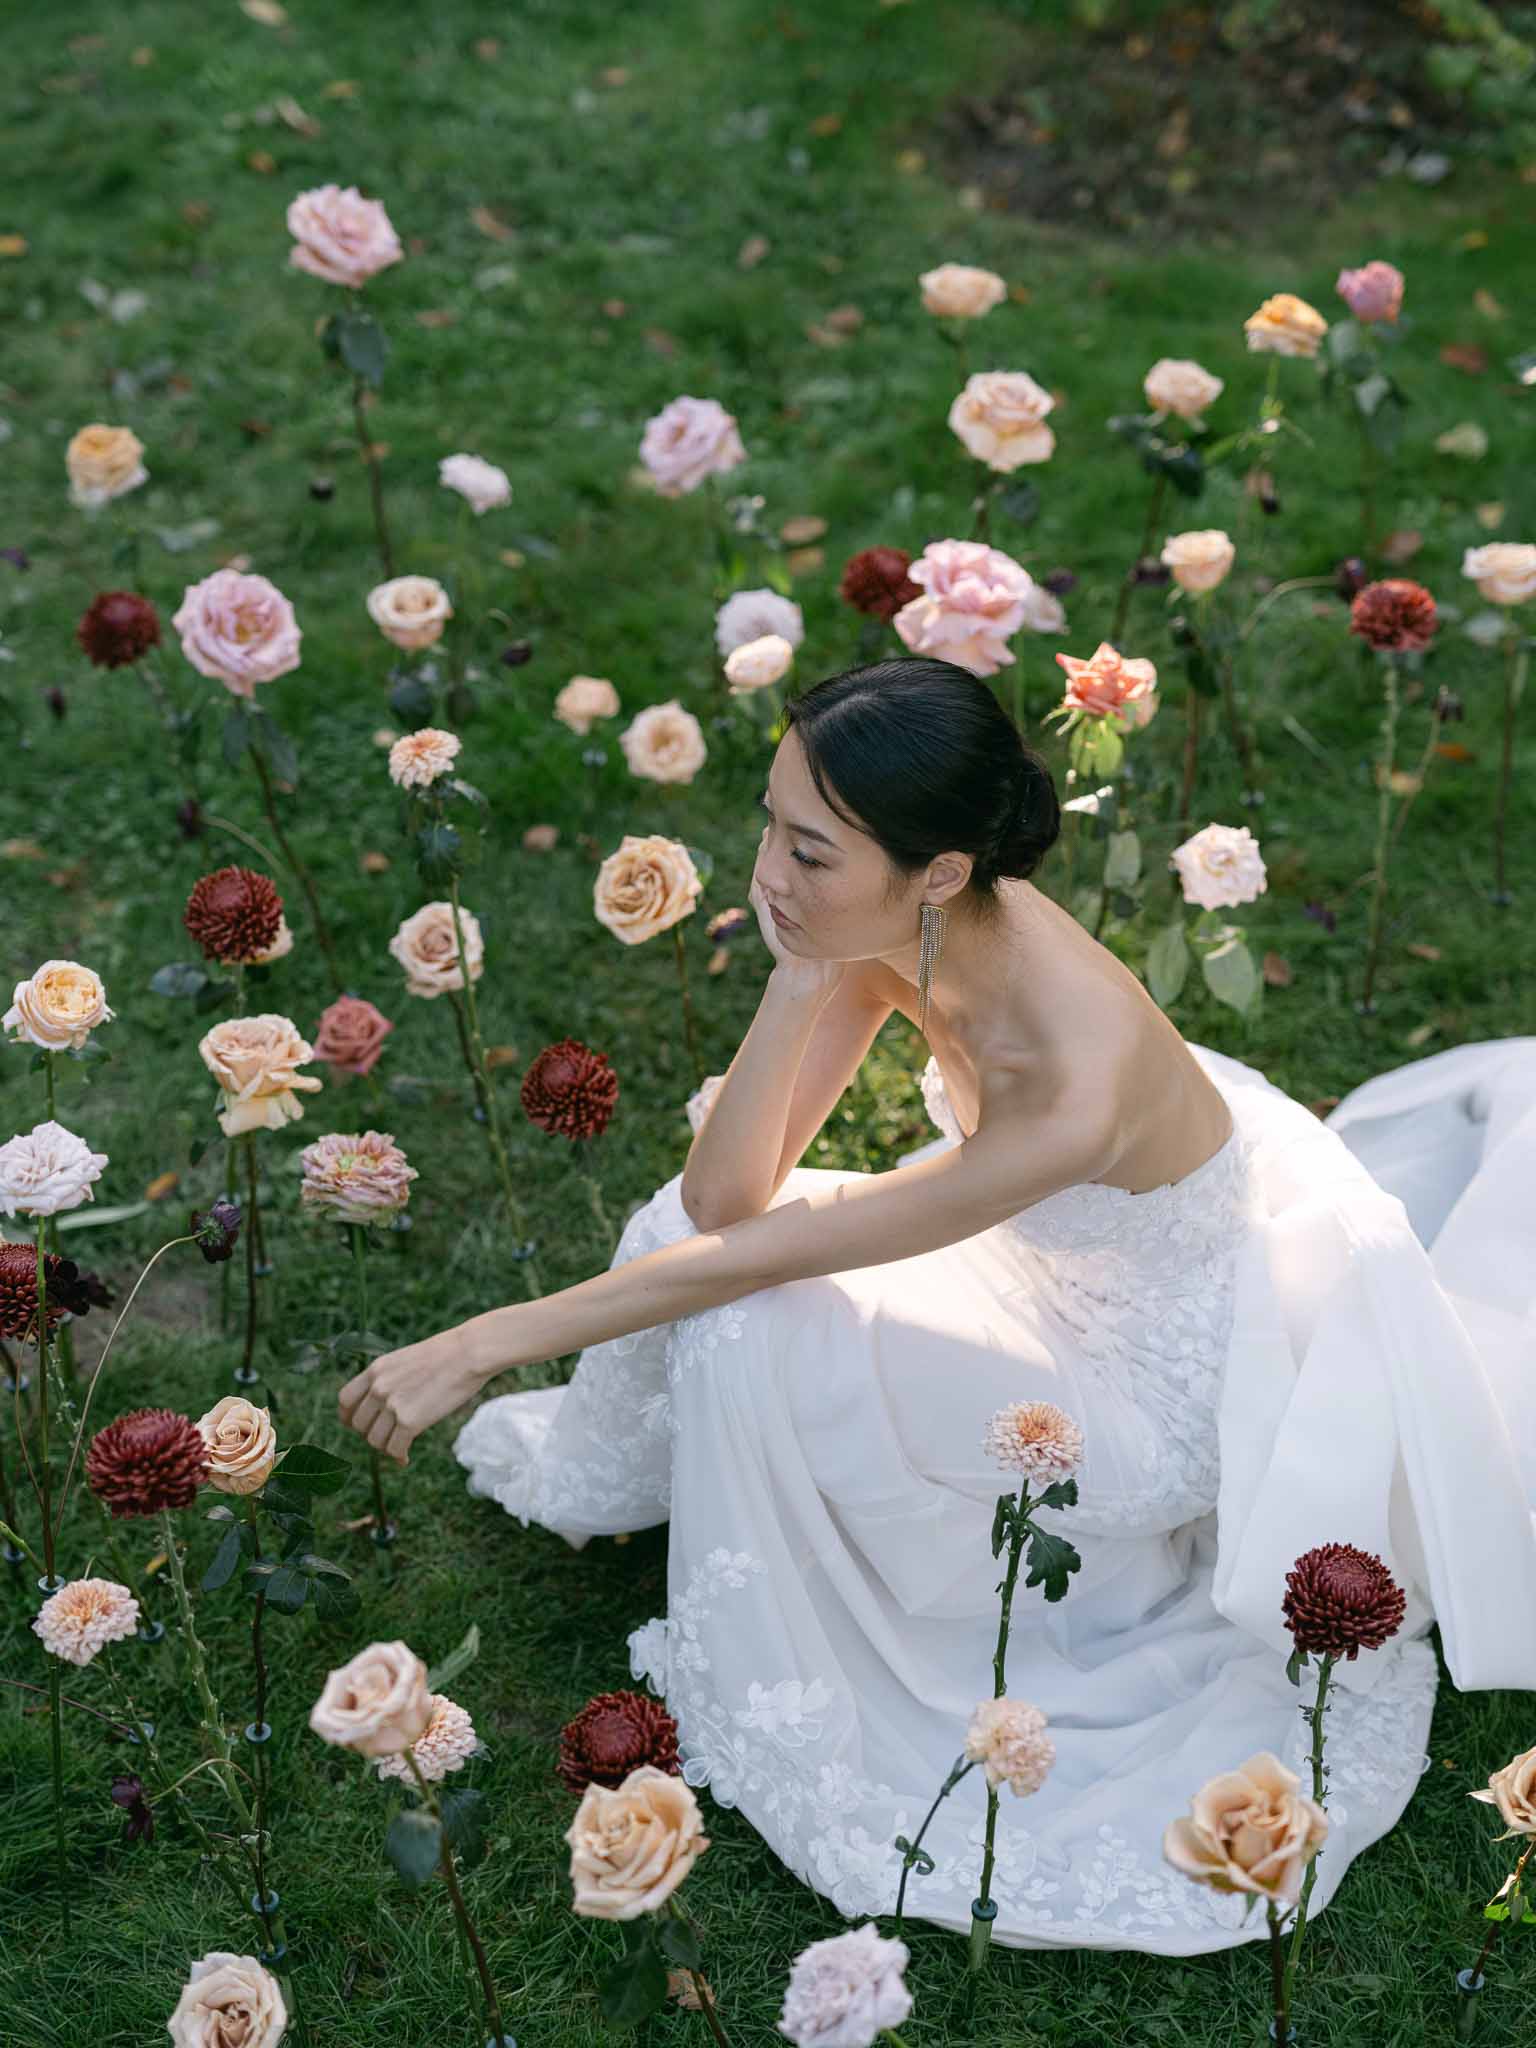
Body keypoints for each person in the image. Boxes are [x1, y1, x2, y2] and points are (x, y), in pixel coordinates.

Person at [339, 656, 1536, 1956]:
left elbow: (758, 1262)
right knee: (678, 1248)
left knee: (743, 1320)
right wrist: (804, 975)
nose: (770, 874)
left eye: (809, 851)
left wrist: (480, 1342)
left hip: (1144, 1392)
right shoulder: (893, 920)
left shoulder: (1062, 1084)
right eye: (771, 826)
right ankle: (691, 1501)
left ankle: (826, 1666)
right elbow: (726, 1199)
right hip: (1033, 1272)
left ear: (943, 870)